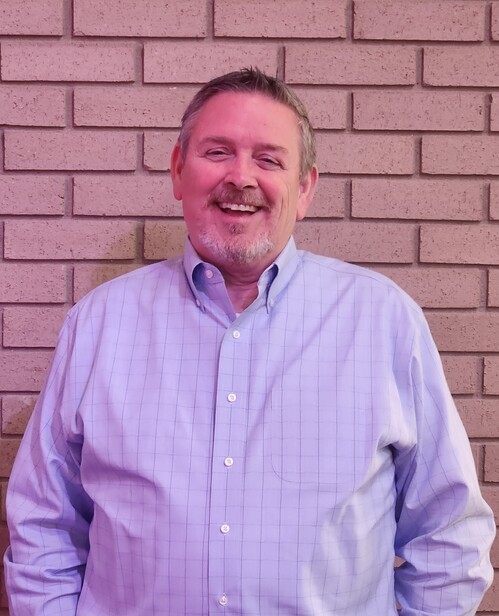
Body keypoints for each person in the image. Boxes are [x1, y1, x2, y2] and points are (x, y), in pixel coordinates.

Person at [4, 68, 495, 615]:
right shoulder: (98, 325)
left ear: (304, 188)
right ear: (178, 170)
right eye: (218, 152)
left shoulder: (383, 322)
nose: (241, 178)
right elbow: (43, 524)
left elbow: (451, 532)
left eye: (268, 160)